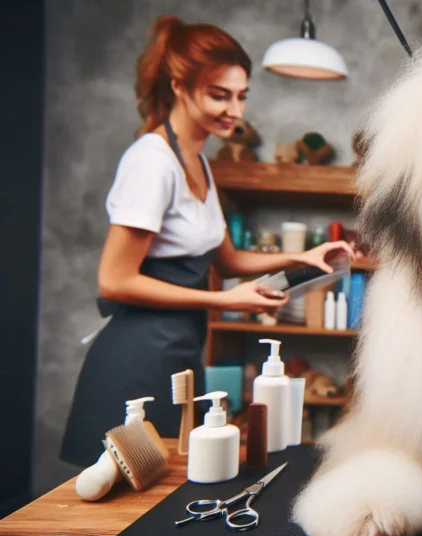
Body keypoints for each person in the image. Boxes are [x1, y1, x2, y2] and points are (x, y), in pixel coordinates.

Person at [60, 16, 354, 468]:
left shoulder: (198, 162)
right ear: (179, 86)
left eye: (241, 96)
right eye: (219, 95)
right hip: (136, 359)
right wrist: (221, 299)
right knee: (120, 504)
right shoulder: (152, 161)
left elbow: (230, 257)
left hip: (179, 350)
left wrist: (304, 256)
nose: (235, 111)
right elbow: (114, 281)